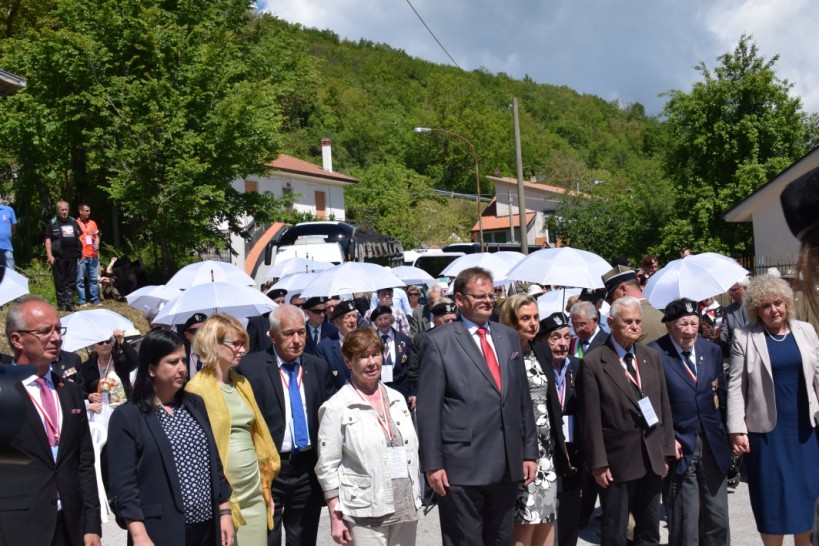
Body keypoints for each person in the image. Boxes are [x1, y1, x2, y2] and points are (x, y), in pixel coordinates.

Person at [417, 267, 538, 546]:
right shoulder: (438, 342)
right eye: (479, 296)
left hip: (506, 463)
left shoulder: (508, 337)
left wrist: (529, 452)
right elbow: (428, 410)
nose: (487, 301)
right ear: (459, 299)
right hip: (462, 465)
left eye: (491, 295)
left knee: (501, 539)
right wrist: (433, 464)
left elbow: (522, 398)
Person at [107, 329, 234, 546]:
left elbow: (214, 462)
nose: (182, 368)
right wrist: (138, 534)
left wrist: (224, 511)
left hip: (207, 527)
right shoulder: (128, 416)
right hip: (161, 530)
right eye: (173, 362)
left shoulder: (194, 404)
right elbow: (124, 485)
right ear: (151, 369)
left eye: (183, 360)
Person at [0, 297, 101, 546]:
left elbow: (84, 462)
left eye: (58, 329)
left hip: (71, 525)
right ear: (17, 339)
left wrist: (91, 524)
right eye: (45, 331)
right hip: (17, 527)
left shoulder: (70, 391)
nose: (56, 338)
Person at [727, 274, 819, 546]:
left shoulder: (806, 331)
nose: (774, 310)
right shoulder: (744, 336)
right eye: (766, 305)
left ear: (787, 303)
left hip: (806, 431)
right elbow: (735, 386)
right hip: (766, 434)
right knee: (772, 500)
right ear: (756, 309)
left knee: (808, 497)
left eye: (778, 303)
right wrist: (736, 429)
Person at [579, 296, 675, 546]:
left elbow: (663, 405)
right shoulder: (594, 362)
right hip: (616, 462)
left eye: (638, 321)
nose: (635, 326)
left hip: (651, 457)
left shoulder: (650, 356)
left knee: (649, 531)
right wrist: (598, 463)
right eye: (628, 321)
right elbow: (590, 420)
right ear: (611, 323)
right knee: (616, 530)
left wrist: (665, 451)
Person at [237, 304, 335, 546]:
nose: (297, 340)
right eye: (288, 334)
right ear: (272, 336)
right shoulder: (251, 368)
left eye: (301, 332)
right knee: (267, 537)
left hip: (305, 468)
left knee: (303, 537)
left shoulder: (317, 367)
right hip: (268, 469)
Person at [315, 327, 421, 545]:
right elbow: (327, 467)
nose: (372, 362)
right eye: (363, 356)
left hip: (405, 507)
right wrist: (335, 517)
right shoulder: (336, 407)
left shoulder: (397, 399)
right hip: (365, 512)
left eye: (375, 354)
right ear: (348, 362)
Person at [185, 314, 280, 545]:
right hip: (226, 497)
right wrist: (221, 503)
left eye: (243, 344)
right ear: (214, 344)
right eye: (236, 344)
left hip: (254, 490)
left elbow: (257, 436)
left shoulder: (241, 383)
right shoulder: (196, 389)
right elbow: (199, 452)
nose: (242, 350)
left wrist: (265, 486)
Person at [648, 299, 731, 546]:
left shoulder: (711, 350)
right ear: (669, 326)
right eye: (683, 324)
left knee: (717, 516)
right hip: (679, 444)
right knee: (685, 518)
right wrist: (665, 439)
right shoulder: (654, 353)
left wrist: (730, 434)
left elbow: (721, 396)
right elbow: (647, 404)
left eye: (694, 324)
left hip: (713, 442)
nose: (690, 330)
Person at [498, 296, 569, 546]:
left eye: (536, 317)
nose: (533, 323)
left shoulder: (540, 349)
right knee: (525, 518)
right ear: (510, 321)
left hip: (546, 448)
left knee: (546, 517)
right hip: (520, 449)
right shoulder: (504, 354)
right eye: (525, 318)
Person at [534, 312, 584, 546]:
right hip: (544, 452)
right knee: (542, 517)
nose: (563, 344)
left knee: (569, 515)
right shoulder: (534, 367)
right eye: (555, 338)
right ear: (542, 340)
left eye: (566, 337)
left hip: (572, 451)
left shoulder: (577, 366)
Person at [601, 266, 665, 344]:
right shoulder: (662, 316)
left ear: (623, 290)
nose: (609, 302)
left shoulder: (623, 323)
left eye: (610, 297)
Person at [82, 329, 139, 414]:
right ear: (93, 347)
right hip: (101, 411)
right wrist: (89, 396)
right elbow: (81, 389)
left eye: (108, 341)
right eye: (100, 342)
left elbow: (135, 360)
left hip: (125, 407)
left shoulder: (120, 360)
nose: (105, 344)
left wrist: (121, 340)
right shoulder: (86, 367)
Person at [370, 305, 413, 405]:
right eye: (379, 319)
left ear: (391, 320)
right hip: (377, 387)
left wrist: (413, 392)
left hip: (401, 387)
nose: (383, 322)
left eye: (386, 318)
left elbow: (411, 367)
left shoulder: (404, 339)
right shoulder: (370, 340)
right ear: (375, 323)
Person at [45, 200, 82, 312]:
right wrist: (49, 255)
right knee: (60, 281)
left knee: (71, 281)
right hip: (58, 257)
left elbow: (79, 238)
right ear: (57, 211)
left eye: (66, 209)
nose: (64, 212)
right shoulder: (52, 222)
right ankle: (62, 304)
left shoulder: (73, 222)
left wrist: (82, 252)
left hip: (73, 255)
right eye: (62, 210)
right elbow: (47, 239)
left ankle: (70, 304)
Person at [316, 300, 360, 391]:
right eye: (347, 317)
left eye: (354, 316)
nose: (352, 321)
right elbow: (324, 382)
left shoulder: (366, 341)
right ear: (336, 322)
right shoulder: (324, 348)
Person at [75, 203, 101, 307]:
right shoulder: (75, 223)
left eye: (89, 211)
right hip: (82, 256)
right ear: (80, 211)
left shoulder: (92, 223)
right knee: (80, 280)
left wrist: (97, 244)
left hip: (93, 255)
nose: (88, 212)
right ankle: (82, 301)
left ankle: (94, 299)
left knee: (94, 279)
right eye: (86, 211)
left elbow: (97, 236)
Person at [718, 277, 750, 358]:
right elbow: (724, 335)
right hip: (737, 355)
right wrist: (716, 335)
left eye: (734, 290)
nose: (730, 294)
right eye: (729, 290)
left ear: (745, 288)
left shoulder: (758, 306)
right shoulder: (729, 310)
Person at [0, 199, 17, 269]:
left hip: (6, 247)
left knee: (11, 271)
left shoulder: (9, 210)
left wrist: (5, 237)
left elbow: (13, 229)